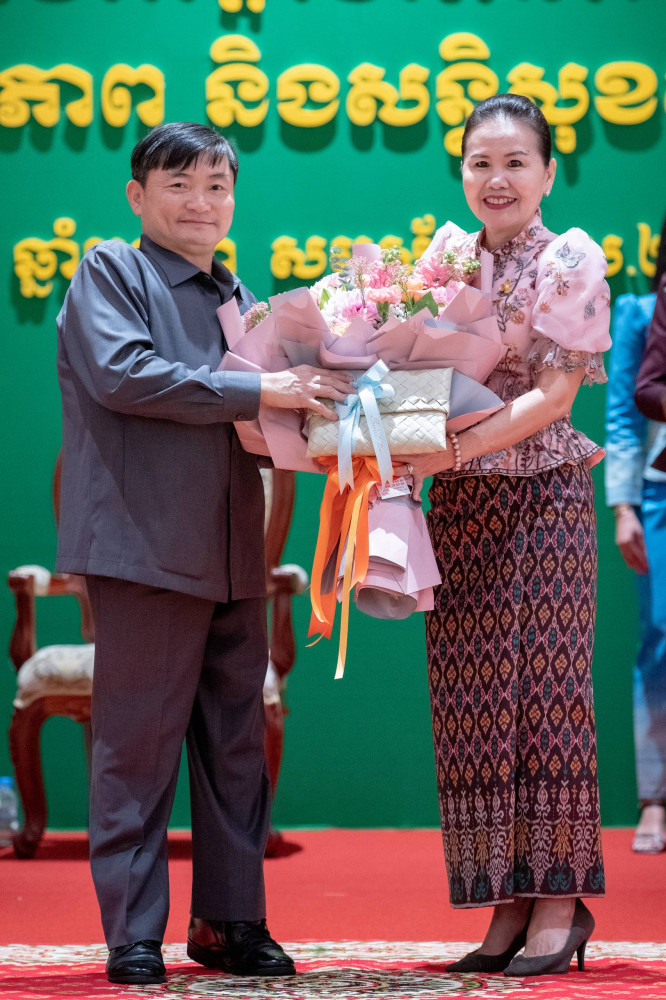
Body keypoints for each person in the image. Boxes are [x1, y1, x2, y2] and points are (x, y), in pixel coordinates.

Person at [55, 121, 352, 986]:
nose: (201, 202)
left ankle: (230, 922)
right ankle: (133, 935)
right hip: (146, 548)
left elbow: (268, 418)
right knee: (137, 750)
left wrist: (351, 412)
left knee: (234, 751)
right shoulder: (111, 270)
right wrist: (264, 388)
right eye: (178, 184)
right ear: (137, 195)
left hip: (232, 552)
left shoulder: (239, 295)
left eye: (216, 186)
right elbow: (126, 375)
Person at [395, 94, 610, 977]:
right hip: (461, 508)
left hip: (545, 497)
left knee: (547, 697)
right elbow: (407, 368)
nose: (497, 178)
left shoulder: (571, 258)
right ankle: (505, 903)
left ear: (548, 173)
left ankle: (560, 900)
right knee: (474, 704)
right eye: (480, 162)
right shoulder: (445, 260)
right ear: (462, 173)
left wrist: (450, 450)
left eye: (516, 161)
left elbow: (555, 399)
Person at [604, 217, 666, 855]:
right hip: (659, 492)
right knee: (661, 635)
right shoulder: (643, 312)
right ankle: (655, 799)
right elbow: (623, 412)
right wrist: (624, 506)